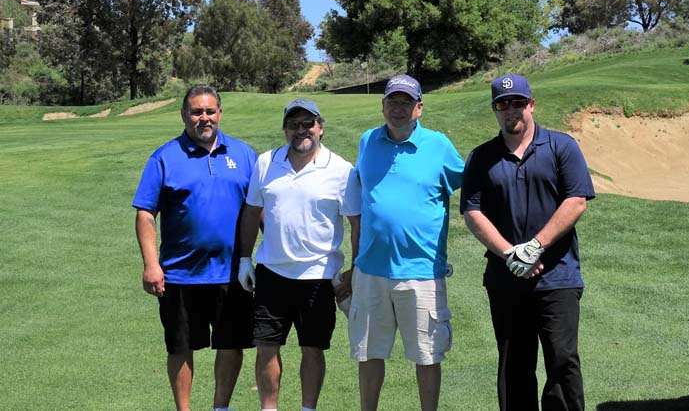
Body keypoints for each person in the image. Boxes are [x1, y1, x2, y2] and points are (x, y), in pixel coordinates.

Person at [461, 74, 595, 411]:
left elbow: (576, 200)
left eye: (518, 103)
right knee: (514, 366)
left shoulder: (561, 146)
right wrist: (510, 254)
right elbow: (472, 212)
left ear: (531, 105)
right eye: (502, 105)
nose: (511, 111)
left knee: (562, 362)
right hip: (505, 280)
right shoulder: (481, 157)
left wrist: (535, 246)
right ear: (495, 110)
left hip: (558, 277)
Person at [132, 85, 258, 411]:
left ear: (220, 113)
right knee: (180, 347)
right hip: (179, 274)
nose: (204, 118)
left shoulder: (244, 155)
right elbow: (146, 214)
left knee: (231, 345)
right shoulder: (164, 157)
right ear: (184, 115)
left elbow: (261, 212)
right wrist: (151, 265)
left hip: (232, 274)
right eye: (197, 111)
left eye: (210, 111)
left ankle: (221, 407)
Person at [349, 75, 464, 411]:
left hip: (422, 270)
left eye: (405, 102)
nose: (398, 109)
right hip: (371, 269)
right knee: (368, 353)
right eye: (392, 101)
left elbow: (471, 187)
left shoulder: (438, 145)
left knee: (427, 355)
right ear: (382, 105)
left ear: (419, 108)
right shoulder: (367, 140)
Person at [238, 98, 361, 411]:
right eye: (293, 124)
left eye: (308, 123)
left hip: (318, 277)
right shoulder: (266, 163)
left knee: (312, 349)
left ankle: (308, 408)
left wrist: (356, 268)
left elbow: (357, 223)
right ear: (285, 129)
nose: (301, 130)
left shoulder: (341, 170)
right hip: (271, 273)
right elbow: (252, 213)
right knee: (266, 347)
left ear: (320, 128)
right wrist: (243, 259)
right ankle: (269, 408)